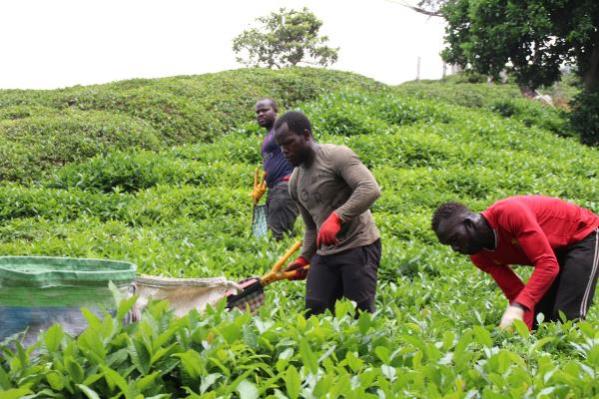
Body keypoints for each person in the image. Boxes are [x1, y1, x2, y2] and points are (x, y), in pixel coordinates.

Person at [432, 195, 599, 330]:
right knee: (540, 321)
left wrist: (518, 307)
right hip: (554, 252)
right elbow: (516, 293)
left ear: (469, 223)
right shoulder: (479, 256)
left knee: (568, 317)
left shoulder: (509, 213)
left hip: (584, 235)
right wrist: (523, 337)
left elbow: (547, 264)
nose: (455, 248)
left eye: (455, 239)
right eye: (450, 245)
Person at [274, 110, 382, 316]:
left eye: (289, 143)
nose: (285, 151)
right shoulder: (295, 182)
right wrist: (305, 258)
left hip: (359, 246)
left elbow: (370, 188)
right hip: (325, 254)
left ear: (306, 135)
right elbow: (311, 227)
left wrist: (338, 217)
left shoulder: (337, 156)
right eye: (281, 146)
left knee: (359, 314)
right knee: (315, 310)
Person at [252, 98, 299, 240]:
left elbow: (305, 148)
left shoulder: (284, 127)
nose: (260, 114)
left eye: (265, 110)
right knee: (271, 231)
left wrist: (294, 176)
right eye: (257, 112)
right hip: (275, 189)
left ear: (276, 111)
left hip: (285, 185)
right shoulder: (270, 134)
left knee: (278, 235)